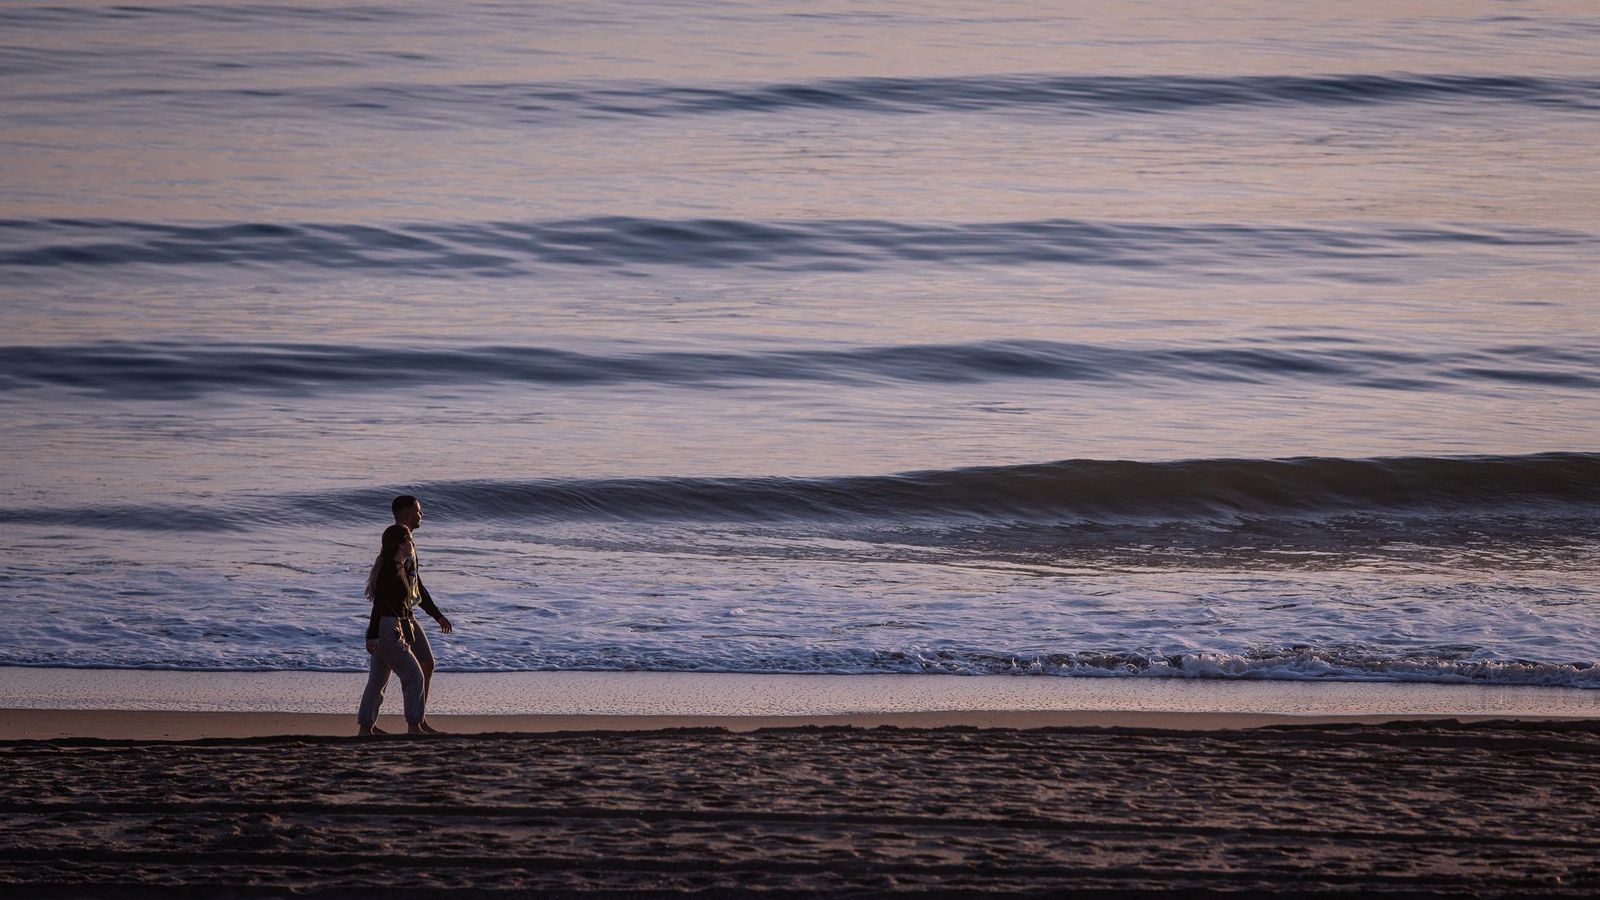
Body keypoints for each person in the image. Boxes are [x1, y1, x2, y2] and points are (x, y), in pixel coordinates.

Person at [356, 495, 454, 735]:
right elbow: (386, 597)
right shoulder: (398, 547)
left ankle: (385, 725)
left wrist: (436, 615)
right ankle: (414, 723)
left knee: (413, 667)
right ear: (407, 513)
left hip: (402, 615)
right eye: (419, 511)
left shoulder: (400, 550)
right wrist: (374, 634)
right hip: (395, 618)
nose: (422, 515)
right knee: (413, 674)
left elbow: (414, 585)